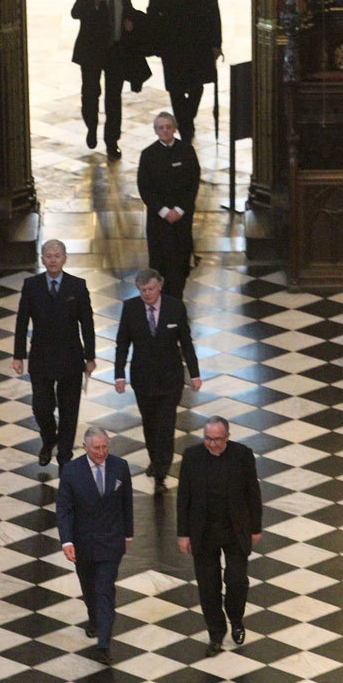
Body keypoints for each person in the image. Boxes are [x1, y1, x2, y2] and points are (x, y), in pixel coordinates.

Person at [176, 417, 262, 657]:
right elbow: (183, 497)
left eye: (216, 439)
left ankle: (236, 618)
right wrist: (183, 533)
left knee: (236, 580)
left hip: (235, 530)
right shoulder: (192, 456)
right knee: (208, 586)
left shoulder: (242, 455)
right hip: (203, 531)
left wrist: (256, 527)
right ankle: (216, 633)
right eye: (207, 439)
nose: (211, 444)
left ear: (227, 437)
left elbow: (253, 493)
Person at [114, 268, 200, 492]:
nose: (147, 294)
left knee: (166, 425)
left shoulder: (175, 307)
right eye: (142, 290)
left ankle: (161, 472)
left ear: (159, 286)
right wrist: (119, 374)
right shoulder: (130, 308)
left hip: (170, 379)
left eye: (150, 289)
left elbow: (187, 343)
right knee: (150, 425)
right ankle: (155, 460)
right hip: (143, 380)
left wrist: (195, 374)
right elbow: (122, 343)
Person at [13, 240, 97, 468]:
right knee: (41, 407)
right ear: (42, 259)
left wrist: (90, 357)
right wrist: (18, 355)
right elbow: (22, 321)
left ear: (64, 258)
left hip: (70, 358)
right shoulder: (32, 285)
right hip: (41, 358)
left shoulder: (77, 286)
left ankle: (65, 454)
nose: (52, 260)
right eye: (48, 256)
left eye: (57, 256)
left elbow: (87, 323)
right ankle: (49, 439)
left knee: (70, 409)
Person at [57, 426, 133, 665]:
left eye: (105, 447)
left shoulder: (120, 466)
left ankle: (103, 643)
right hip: (83, 543)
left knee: (104, 589)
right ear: (85, 447)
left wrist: (128, 534)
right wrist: (67, 541)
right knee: (89, 586)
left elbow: (127, 502)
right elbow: (64, 509)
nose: (102, 452)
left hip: (111, 541)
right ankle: (93, 617)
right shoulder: (71, 471)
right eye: (97, 448)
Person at [137, 112, 200, 300]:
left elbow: (193, 183)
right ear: (156, 131)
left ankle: (177, 300)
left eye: (168, 127)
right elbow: (144, 188)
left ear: (174, 129)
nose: (165, 131)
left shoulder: (187, 151)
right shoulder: (148, 155)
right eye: (161, 127)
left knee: (181, 261)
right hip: (159, 221)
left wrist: (180, 210)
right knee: (159, 262)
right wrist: (164, 211)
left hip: (182, 219)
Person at [71, 0, 140, 160]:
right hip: (92, 50)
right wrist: (94, 1)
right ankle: (92, 126)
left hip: (115, 50)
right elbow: (76, 12)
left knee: (114, 97)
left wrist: (130, 20)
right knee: (90, 92)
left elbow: (128, 8)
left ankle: (112, 141)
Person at [146, 0, 221, 141]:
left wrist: (216, 43)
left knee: (195, 85)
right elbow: (153, 12)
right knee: (176, 88)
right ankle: (186, 126)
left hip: (197, 43)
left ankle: (185, 123)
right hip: (173, 45)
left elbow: (213, 12)